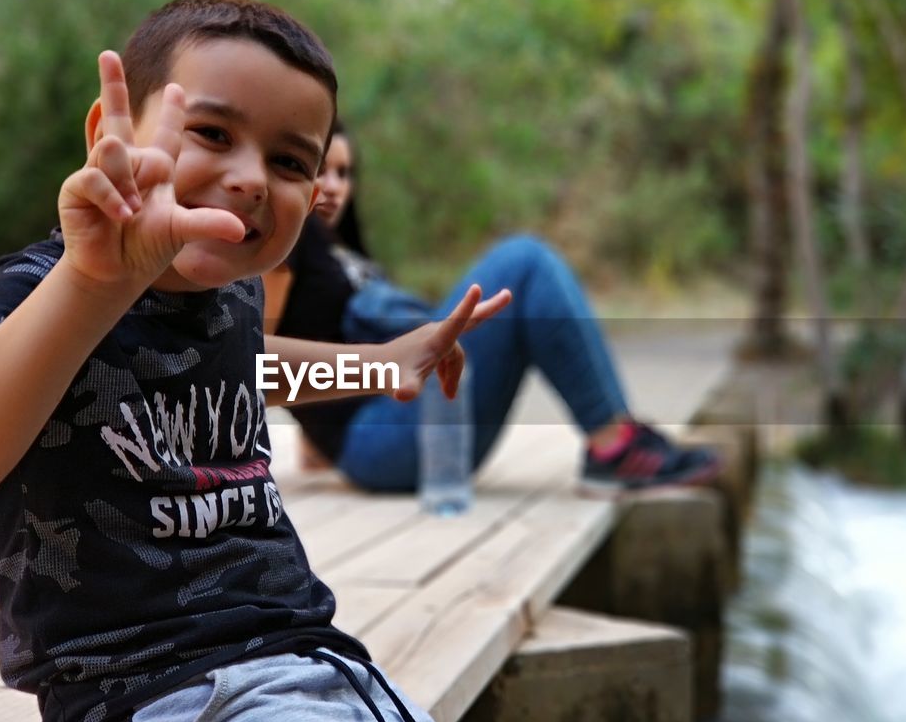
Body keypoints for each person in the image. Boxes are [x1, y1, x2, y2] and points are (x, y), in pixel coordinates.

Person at [0, 0, 527, 722]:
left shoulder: (226, 297)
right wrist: (95, 283)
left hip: (329, 671)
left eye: (287, 160)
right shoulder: (41, 293)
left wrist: (386, 363)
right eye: (212, 134)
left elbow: (253, 366)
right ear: (107, 132)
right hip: (159, 705)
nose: (247, 176)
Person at [267, 124, 721, 494]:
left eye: (345, 174)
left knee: (525, 265)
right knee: (524, 262)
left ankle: (618, 436)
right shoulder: (287, 241)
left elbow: (320, 331)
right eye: (320, 170)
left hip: (404, 426)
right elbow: (257, 362)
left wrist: (316, 443)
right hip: (379, 439)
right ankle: (614, 445)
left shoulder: (343, 253)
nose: (335, 187)